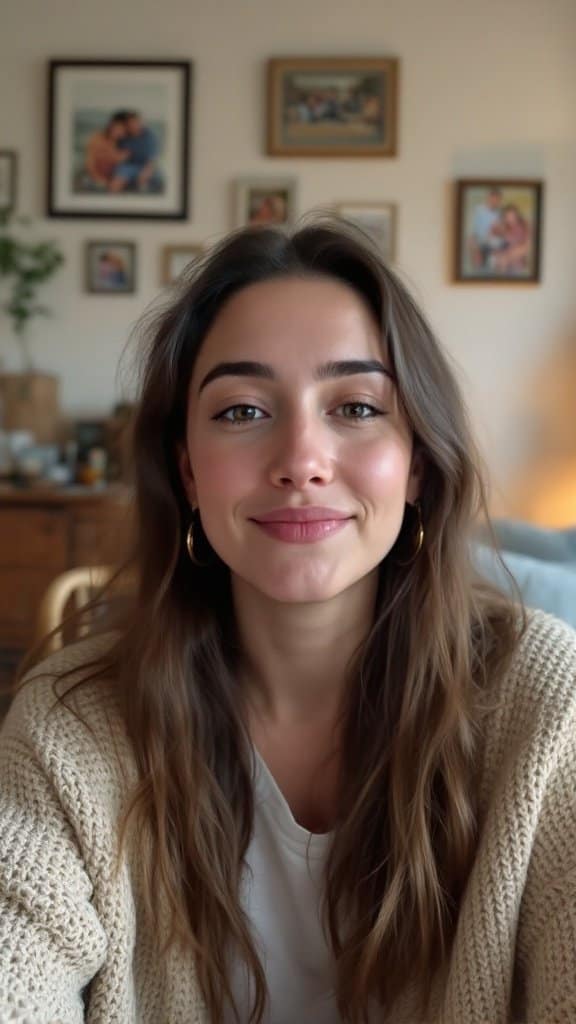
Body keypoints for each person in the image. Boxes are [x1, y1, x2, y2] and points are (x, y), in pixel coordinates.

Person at [0, 219, 575, 1024]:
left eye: (356, 405)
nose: (302, 458)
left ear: (415, 462)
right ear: (187, 469)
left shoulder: (549, 705)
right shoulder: (68, 728)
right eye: (241, 410)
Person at [108, 110, 162, 194]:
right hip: (128, 165)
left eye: (135, 122)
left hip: (145, 165)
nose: (132, 125)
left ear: (140, 122)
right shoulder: (124, 136)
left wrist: (146, 172)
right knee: (115, 184)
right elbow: (116, 153)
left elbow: (152, 160)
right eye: (130, 123)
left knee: (144, 181)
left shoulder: (150, 137)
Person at [82, 113, 129, 191]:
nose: (120, 132)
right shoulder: (97, 138)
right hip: (95, 179)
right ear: (111, 125)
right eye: (118, 128)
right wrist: (99, 179)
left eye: (124, 129)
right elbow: (89, 163)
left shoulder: (123, 143)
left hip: (113, 181)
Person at [468, 187, 505, 270]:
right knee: (479, 264)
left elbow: (500, 231)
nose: (495, 201)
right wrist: (475, 249)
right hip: (479, 243)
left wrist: (498, 231)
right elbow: (472, 233)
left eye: (498, 200)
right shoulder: (478, 210)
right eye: (493, 198)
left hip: (494, 243)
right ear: (489, 198)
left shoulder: (499, 212)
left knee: (497, 262)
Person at [489, 203, 532, 274]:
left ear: (517, 215)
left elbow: (526, 246)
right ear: (504, 217)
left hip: (517, 259)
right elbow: (492, 236)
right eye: (507, 216)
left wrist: (507, 257)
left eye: (512, 215)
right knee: (497, 259)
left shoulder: (525, 225)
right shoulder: (504, 227)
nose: (510, 218)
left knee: (503, 261)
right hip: (506, 257)